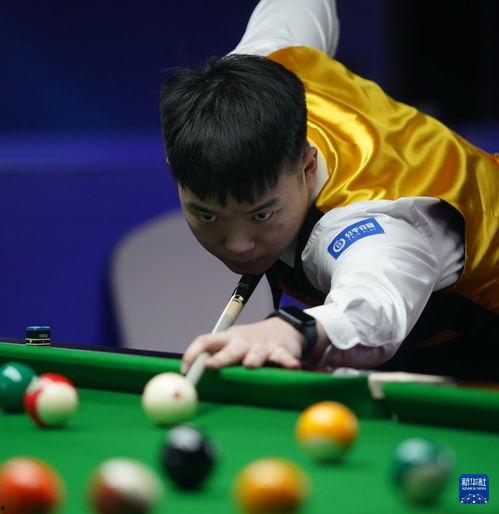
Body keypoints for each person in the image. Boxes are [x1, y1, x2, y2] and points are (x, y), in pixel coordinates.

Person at [159, 0, 499, 378]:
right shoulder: (263, 66)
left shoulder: (366, 220)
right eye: (208, 216)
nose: (239, 245)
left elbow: (374, 308)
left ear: (307, 167)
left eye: (262, 214)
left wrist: (292, 330)